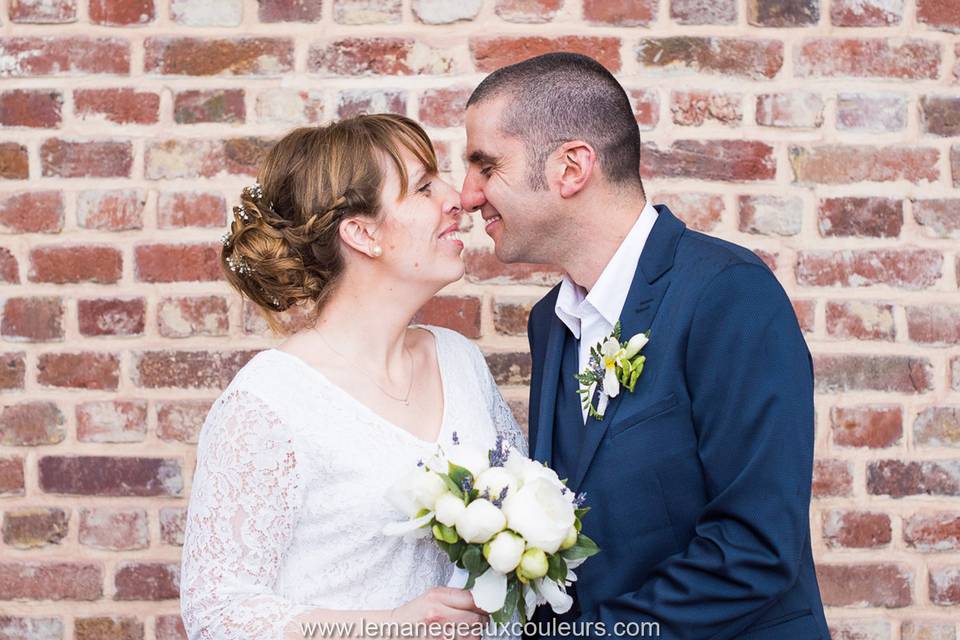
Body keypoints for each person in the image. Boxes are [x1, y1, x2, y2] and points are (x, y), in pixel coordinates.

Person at [461, 52, 829, 640]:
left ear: (571, 167)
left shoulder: (728, 295)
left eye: (486, 165)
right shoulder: (549, 323)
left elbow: (755, 547)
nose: (469, 194)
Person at [179, 114, 527, 640]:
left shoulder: (458, 360)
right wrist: (389, 628)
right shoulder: (269, 403)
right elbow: (218, 612)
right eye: (424, 187)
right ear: (362, 233)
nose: (457, 197)